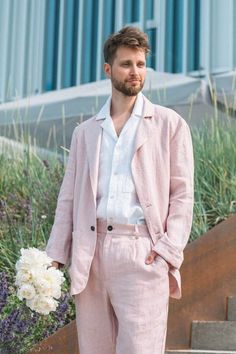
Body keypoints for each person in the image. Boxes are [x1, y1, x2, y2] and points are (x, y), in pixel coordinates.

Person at [45, 26, 194, 354]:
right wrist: (55, 256)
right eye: (127, 64)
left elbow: (182, 196)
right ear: (108, 70)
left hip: (142, 252)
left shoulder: (169, 125)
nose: (135, 72)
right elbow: (68, 199)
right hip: (92, 254)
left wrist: (167, 251)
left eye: (141, 64)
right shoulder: (85, 132)